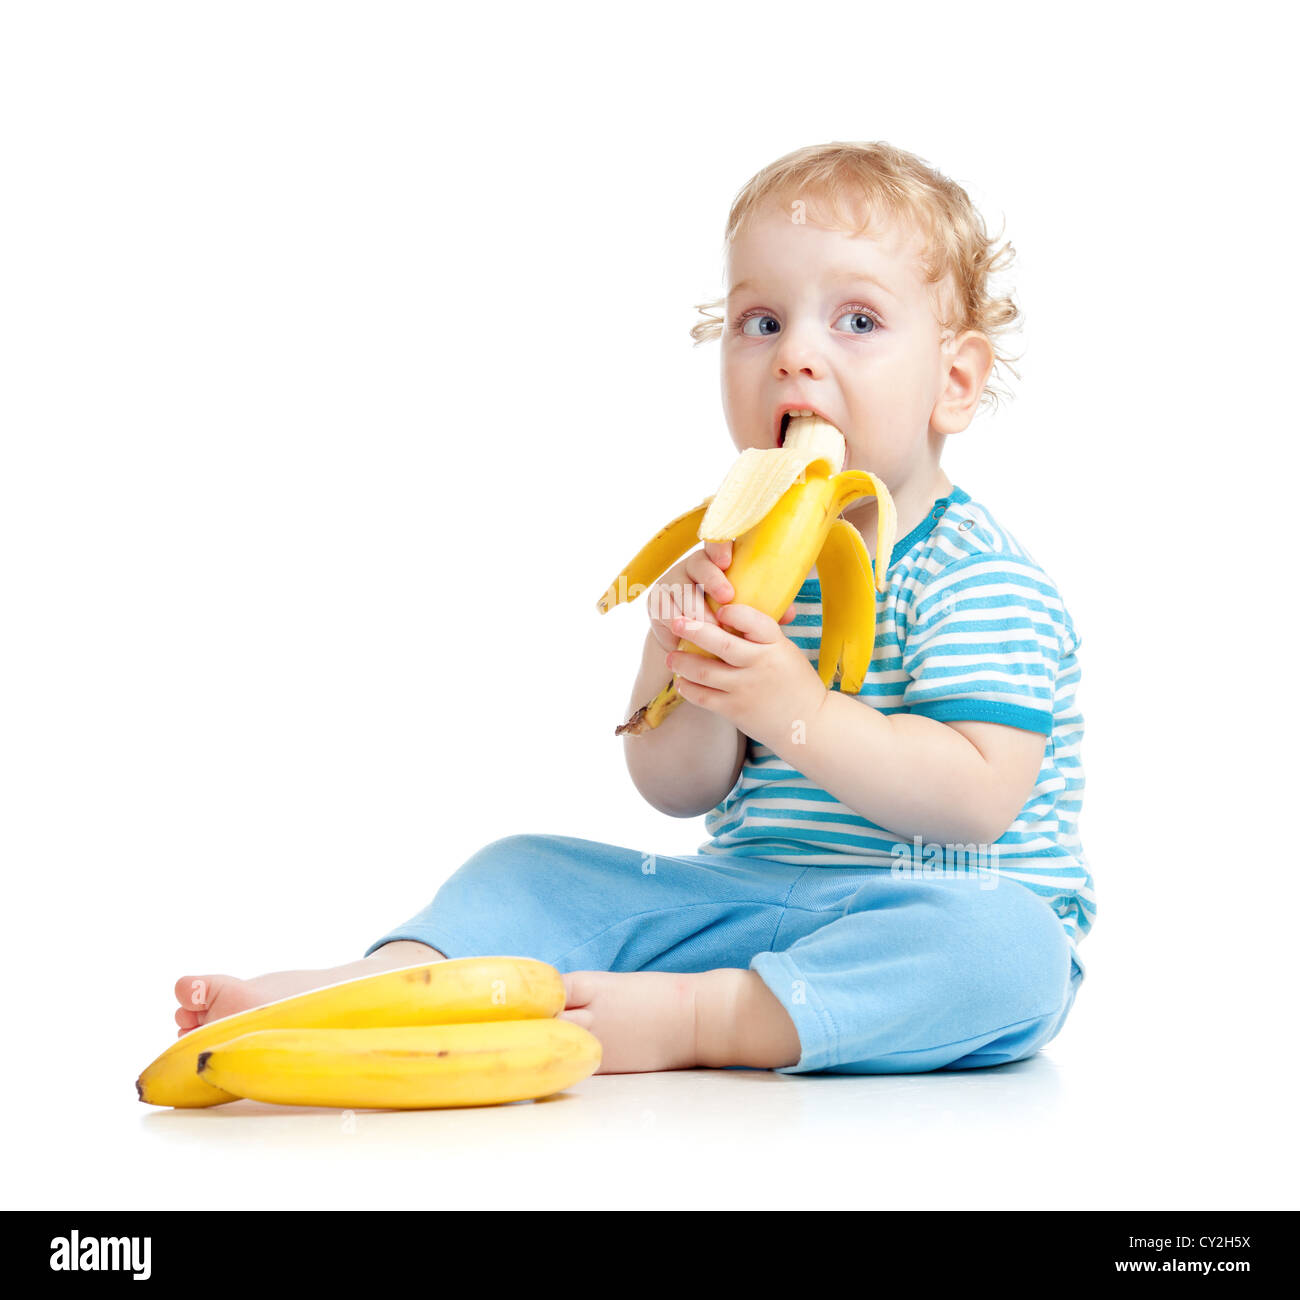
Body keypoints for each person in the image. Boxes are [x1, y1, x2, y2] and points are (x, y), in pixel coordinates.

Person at [173, 141, 1093, 1076]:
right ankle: (387, 989)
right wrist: (683, 664)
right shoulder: (733, 557)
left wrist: (799, 714)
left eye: (856, 319)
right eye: (761, 321)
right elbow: (678, 789)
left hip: (923, 910)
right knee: (522, 867)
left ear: (956, 381)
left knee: (1010, 952)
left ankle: (703, 1019)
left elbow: (978, 802)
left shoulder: (975, 577)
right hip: (737, 899)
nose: (797, 357)